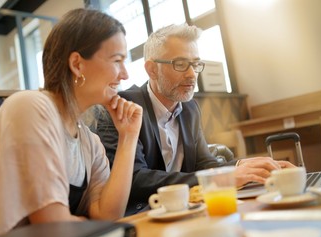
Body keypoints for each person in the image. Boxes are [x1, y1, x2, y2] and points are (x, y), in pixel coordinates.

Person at [0, 8, 142, 237]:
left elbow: (108, 215)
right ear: (77, 64)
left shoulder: (90, 142)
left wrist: (128, 137)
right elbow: (52, 225)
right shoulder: (29, 106)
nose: (125, 74)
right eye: (117, 60)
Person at [96, 23, 295, 216]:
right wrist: (224, 178)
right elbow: (136, 178)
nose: (192, 74)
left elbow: (205, 164)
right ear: (152, 69)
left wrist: (243, 166)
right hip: (142, 216)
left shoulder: (190, 108)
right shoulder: (123, 106)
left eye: (195, 64)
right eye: (180, 64)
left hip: (187, 210)